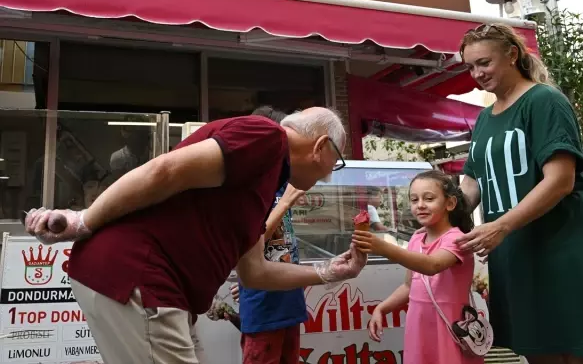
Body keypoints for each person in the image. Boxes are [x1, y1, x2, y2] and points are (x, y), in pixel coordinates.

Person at [24, 107, 366, 364]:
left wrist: (330, 272)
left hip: (148, 287)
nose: (326, 178)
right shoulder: (268, 138)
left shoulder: (265, 181)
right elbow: (165, 170)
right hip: (140, 277)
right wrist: (83, 220)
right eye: (333, 166)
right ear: (321, 147)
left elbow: (254, 271)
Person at [455, 23, 583, 364]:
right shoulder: (485, 119)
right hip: (518, 256)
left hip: (567, 248)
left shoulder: (544, 100)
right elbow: (470, 185)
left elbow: (560, 180)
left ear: (512, 55)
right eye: (470, 66)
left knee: (582, 355)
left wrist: (500, 226)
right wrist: (436, 222)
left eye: (484, 63)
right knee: (537, 356)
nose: (476, 73)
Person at [353, 170, 479, 364]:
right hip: (419, 326)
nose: (420, 205)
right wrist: (382, 308)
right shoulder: (417, 238)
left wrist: (384, 248)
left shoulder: (457, 239)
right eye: (414, 199)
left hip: (450, 326)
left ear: (450, 203)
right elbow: (409, 286)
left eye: (429, 198)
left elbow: (432, 265)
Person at [233, 105, 308, 364]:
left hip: (290, 302)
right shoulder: (251, 188)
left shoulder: (279, 186)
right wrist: (285, 203)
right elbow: (252, 238)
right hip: (263, 308)